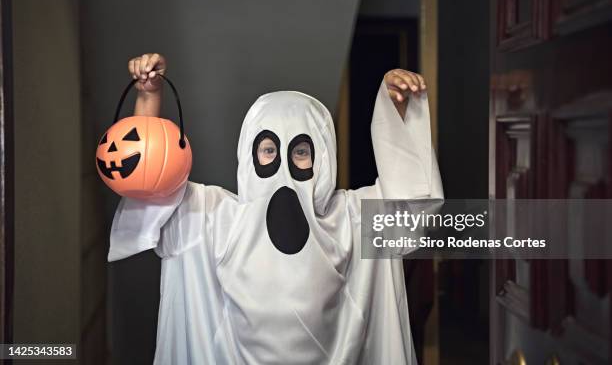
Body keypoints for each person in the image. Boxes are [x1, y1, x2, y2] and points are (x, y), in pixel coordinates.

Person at [109, 53, 443, 364]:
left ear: (322, 158)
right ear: (249, 153)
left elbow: (412, 205)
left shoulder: (350, 220)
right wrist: (148, 98)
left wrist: (396, 111)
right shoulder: (213, 217)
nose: (283, 163)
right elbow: (148, 184)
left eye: (300, 151)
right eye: (269, 150)